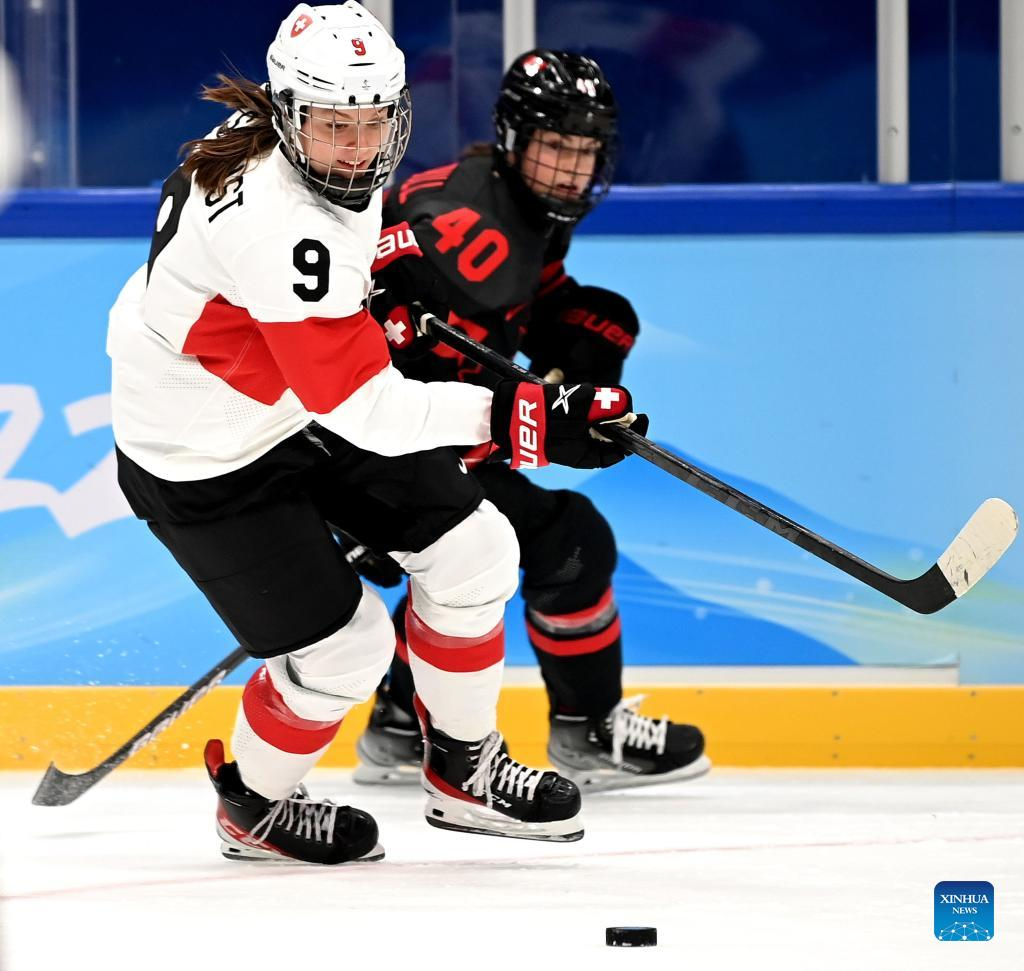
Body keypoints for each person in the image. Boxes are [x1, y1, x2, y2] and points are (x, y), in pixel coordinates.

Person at [107, 5, 646, 864]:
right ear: (289, 113)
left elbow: (333, 345)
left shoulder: (276, 145)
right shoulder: (283, 227)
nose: (358, 149)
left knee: (478, 550)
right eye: (333, 126)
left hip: (286, 401)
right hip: (202, 454)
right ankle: (255, 807)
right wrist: (527, 418)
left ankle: (465, 769)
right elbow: (363, 407)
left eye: (373, 121)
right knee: (348, 649)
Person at [355, 49, 710, 792]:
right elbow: (388, 355)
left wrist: (584, 358)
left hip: (417, 431)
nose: (571, 169)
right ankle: (585, 729)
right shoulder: (461, 225)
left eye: (585, 151)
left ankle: (400, 719)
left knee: (601, 318)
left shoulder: (522, 205)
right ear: (514, 138)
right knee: (567, 540)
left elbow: (528, 309)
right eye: (555, 146)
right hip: (377, 444)